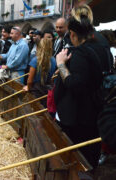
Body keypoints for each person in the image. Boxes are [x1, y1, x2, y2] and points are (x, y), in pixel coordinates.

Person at [54, 12, 111, 167]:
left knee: (76, 161)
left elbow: (75, 84)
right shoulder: (103, 49)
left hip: (78, 119)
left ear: (72, 34)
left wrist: (60, 64)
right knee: (88, 161)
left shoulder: (80, 52)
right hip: (94, 114)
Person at [23, 38, 56, 106]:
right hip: (47, 90)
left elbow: (30, 81)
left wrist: (28, 88)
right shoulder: (53, 60)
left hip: (36, 91)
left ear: (39, 47)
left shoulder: (35, 60)